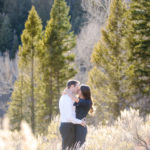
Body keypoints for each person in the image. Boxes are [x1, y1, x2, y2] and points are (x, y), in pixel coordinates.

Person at [59, 80, 86, 150]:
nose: (78, 89)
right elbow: (69, 117)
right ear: (72, 86)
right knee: (67, 148)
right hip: (67, 126)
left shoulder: (69, 97)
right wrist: (80, 122)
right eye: (77, 87)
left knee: (71, 148)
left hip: (69, 125)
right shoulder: (67, 99)